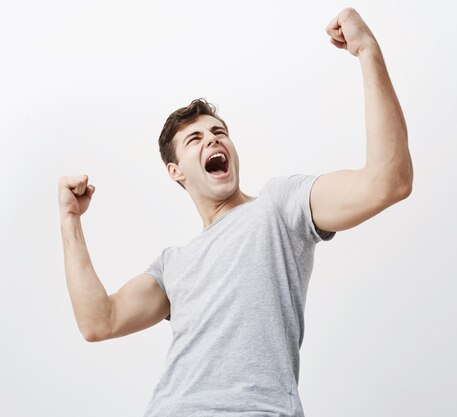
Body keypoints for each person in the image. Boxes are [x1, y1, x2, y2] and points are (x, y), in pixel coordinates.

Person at [58, 7, 412, 417]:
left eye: (219, 132)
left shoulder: (278, 207)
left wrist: (368, 51)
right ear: (175, 172)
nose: (212, 139)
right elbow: (98, 321)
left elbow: (388, 182)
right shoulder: (174, 264)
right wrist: (70, 220)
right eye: (195, 139)